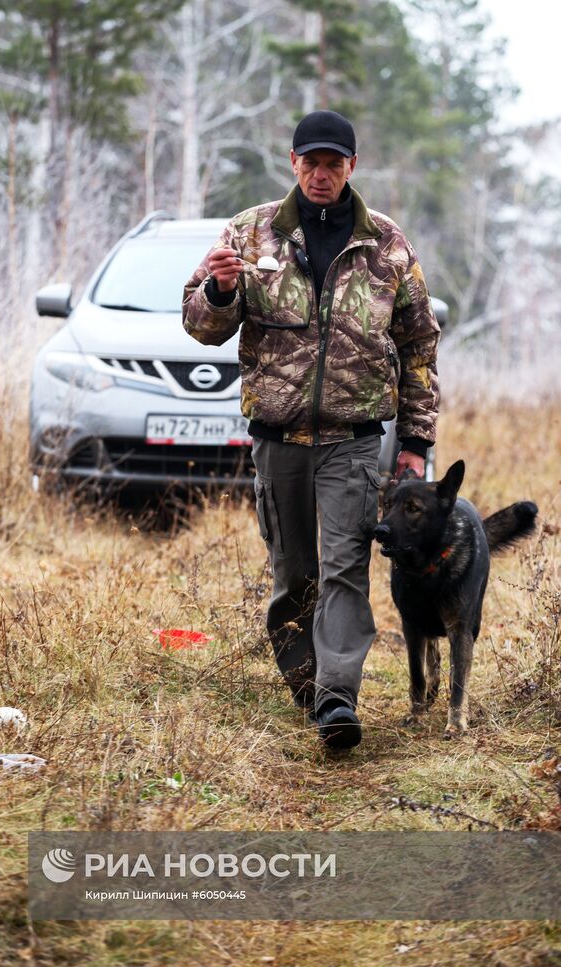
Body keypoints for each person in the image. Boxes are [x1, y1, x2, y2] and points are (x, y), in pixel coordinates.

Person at [182, 110, 440, 750]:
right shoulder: (251, 233)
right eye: (310, 163)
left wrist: (414, 444)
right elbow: (201, 326)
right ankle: (307, 683)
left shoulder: (387, 246)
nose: (320, 175)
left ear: (353, 167)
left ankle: (337, 700)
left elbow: (420, 348)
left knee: (347, 569)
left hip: (353, 442)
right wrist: (217, 291)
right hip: (279, 439)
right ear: (293, 162)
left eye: (333, 164)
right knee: (294, 574)